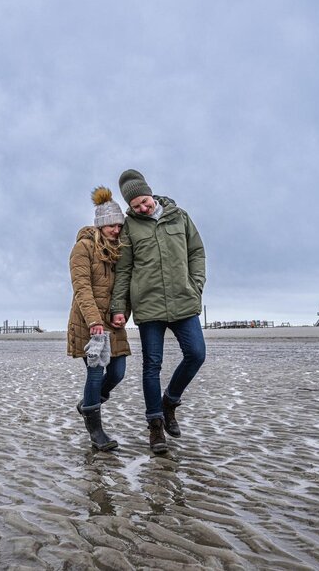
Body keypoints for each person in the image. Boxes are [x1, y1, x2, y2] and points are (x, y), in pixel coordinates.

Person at [111, 169, 206, 454]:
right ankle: (155, 427)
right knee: (152, 366)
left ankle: (170, 402)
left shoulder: (180, 216)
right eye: (135, 205)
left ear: (151, 194)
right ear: (129, 207)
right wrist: (118, 307)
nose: (142, 207)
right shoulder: (130, 228)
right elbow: (124, 270)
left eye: (144, 201)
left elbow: (196, 252)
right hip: (149, 305)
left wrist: (196, 284)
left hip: (183, 300)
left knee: (196, 354)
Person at [68, 186, 131, 451]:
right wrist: (94, 322)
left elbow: (124, 287)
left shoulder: (121, 250)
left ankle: (87, 404)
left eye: (119, 225)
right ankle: (96, 432)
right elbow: (81, 287)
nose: (116, 230)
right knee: (95, 374)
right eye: (111, 226)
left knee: (117, 372)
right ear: (100, 224)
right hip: (88, 322)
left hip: (112, 322)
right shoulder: (83, 248)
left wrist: (122, 315)